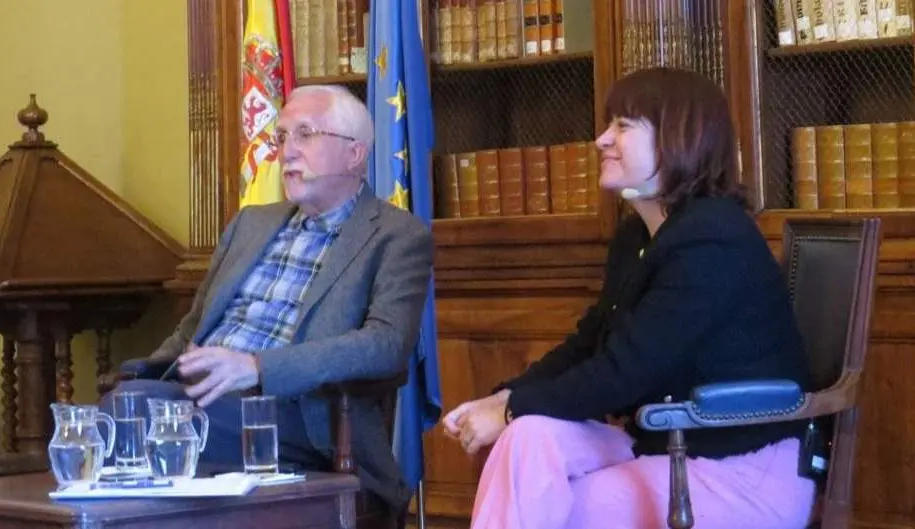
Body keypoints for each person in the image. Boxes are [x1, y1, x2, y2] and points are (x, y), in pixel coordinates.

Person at [442, 67, 816, 529]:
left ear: (678, 138)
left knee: (547, 506)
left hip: (738, 468)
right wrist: (505, 398)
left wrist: (510, 409)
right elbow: (590, 343)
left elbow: (625, 371)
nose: (601, 139)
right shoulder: (636, 236)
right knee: (529, 438)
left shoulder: (714, 237)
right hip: (666, 439)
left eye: (622, 126)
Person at [102, 84, 433, 514]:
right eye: (281, 137)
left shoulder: (396, 235)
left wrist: (257, 368)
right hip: (202, 397)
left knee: (139, 419)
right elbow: (195, 324)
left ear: (354, 154)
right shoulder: (250, 223)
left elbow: (385, 346)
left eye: (305, 134)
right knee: (122, 411)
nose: (287, 152)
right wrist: (147, 370)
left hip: (299, 416)